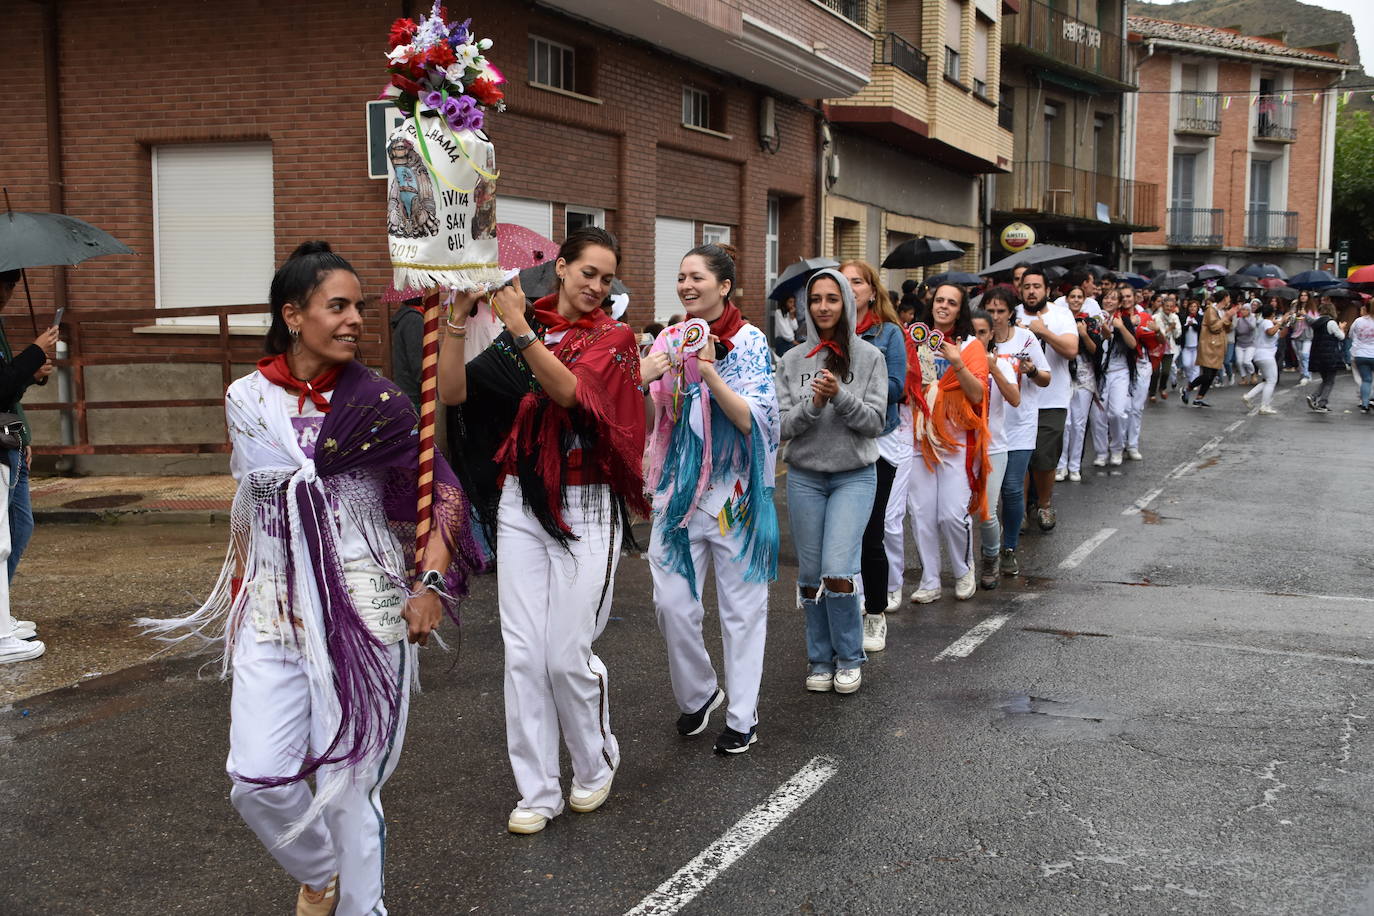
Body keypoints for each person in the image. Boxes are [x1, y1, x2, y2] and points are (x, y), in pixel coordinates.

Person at [142, 242, 479, 916]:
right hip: (274, 611)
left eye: (359, 306)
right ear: (294, 315)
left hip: (366, 606)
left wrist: (431, 585)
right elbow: (252, 502)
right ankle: (318, 873)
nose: (356, 318)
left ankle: (362, 906)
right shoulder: (245, 399)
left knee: (350, 787)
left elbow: (440, 494)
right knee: (256, 780)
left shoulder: (382, 402)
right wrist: (243, 597)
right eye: (339, 306)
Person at [439, 227, 649, 835]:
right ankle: (537, 790)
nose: (597, 287)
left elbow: (570, 393)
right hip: (520, 501)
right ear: (561, 268)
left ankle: (596, 759)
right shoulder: (519, 332)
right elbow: (453, 391)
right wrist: (458, 316)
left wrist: (518, 326)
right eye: (588, 273)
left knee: (564, 656)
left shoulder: (613, 338)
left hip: (587, 504)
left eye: (607, 279)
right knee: (524, 656)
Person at [640, 244, 779, 755]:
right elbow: (656, 423)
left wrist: (710, 372)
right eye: (680, 277)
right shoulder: (671, 337)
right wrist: (645, 376)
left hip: (734, 496)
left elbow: (754, 420)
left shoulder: (750, 341)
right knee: (671, 604)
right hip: (679, 493)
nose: (686, 285)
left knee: (742, 611)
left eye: (696, 277)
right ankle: (700, 692)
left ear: (724, 286)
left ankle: (742, 715)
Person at [777, 269, 886, 695]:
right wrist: (815, 403)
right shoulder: (790, 360)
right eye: (816, 299)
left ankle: (849, 655)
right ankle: (820, 658)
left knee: (838, 569)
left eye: (832, 298)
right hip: (805, 477)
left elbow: (875, 423)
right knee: (809, 574)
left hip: (854, 477)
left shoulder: (868, 357)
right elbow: (784, 426)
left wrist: (839, 396)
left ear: (846, 302)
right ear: (807, 306)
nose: (823, 307)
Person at [905, 283, 990, 602]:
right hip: (919, 439)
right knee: (922, 513)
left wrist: (957, 363)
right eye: (939, 300)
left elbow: (978, 395)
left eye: (951, 303)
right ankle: (929, 581)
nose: (943, 306)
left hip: (956, 443)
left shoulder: (970, 346)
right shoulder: (914, 339)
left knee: (951, 514)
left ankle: (963, 569)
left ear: (960, 309)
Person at [839, 260, 907, 651]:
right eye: (842, 283)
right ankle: (844, 608)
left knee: (869, 532)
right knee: (838, 537)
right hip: (835, 442)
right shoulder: (825, 332)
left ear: (871, 289)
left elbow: (896, 386)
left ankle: (875, 613)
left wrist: (849, 388)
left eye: (856, 282)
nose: (849, 289)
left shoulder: (889, 333)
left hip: (877, 440)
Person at [0, 270, 56, 664]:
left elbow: (7, 388)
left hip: (8, 438)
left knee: (18, 527)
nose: (11, 294)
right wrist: (35, 351)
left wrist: (31, 373)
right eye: (9, 286)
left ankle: (1, 618)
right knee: (1, 541)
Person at [1016, 267, 1077, 531]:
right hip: (1017, 398)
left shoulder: (1061, 315)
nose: (1031, 291)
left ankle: (1044, 504)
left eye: (1037, 286)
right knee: (1020, 458)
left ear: (1047, 290)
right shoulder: (1012, 315)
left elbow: (1071, 350)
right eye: (1027, 286)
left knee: (1043, 458)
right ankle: (1017, 511)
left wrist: (1042, 332)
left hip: (1051, 400)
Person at [971, 301, 1019, 589]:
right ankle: (965, 567)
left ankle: (991, 557)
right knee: (957, 513)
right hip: (961, 448)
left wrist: (993, 370)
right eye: (972, 332)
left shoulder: (1000, 364)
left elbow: (1014, 399)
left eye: (982, 333)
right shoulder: (957, 361)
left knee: (987, 512)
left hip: (994, 449)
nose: (977, 338)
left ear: (991, 335)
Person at [1055, 286, 1099, 481]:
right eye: (1072, 296)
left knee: (1079, 424)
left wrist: (1083, 333)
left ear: (1083, 300)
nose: (1075, 300)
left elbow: (1095, 349)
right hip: (1063, 373)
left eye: (1079, 297)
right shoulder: (1060, 321)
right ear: (1066, 299)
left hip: (1084, 375)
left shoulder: (1089, 321)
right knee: (1066, 423)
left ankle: (1074, 466)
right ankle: (1061, 465)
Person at [1122, 285, 1157, 461]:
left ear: (1135, 298)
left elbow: (1156, 343)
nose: (1126, 299)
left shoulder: (1144, 317)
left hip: (1141, 365)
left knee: (1136, 409)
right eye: (1123, 296)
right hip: (1120, 366)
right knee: (1122, 409)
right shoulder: (1115, 317)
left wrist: (1156, 331)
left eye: (1129, 296)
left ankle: (1132, 445)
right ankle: (1118, 443)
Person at [1182, 291, 1233, 408]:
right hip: (1208, 346)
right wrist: (1225, 318)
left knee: (1212, 374)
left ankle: (1199, 398)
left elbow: (1229, 328)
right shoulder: (1211, 310)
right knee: (1207, 374)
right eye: (1228, 297)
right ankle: (1187, 388)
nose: (1229, 300)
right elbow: (1214, 327)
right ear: (1224, 298)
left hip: (1218, 346)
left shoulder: (1222, 311)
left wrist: (1228, 317)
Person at [1305, 298, 1346, 413]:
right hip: (1330, 355)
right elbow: (1341, 337)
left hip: (1318, 354)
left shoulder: (1316, 322)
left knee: (1325, 379)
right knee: (1330, 380)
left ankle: (1314, 397)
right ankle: (1321, 402)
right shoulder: (1331, 322)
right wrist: (1341, 329)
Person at [1243, 302, 1283, 416]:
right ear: (1272, 313)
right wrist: (1280, 322)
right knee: (1272, 381)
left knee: (1267, 380)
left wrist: (1286, 324)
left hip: (1261, 355)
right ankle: (1264, 406)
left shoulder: (1267, 322)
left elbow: (1281, 334)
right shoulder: (1266, 322)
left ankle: (1248, 396)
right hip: (1266, 355)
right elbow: (1270, 332)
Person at [388, 296, 424, 411]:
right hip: (415, 395)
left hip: (407, 391)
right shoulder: (414, 320)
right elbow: (418, 361)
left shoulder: (407, 317)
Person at [1151, 293, 1181, 401]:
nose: (1168, 308)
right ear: (1162, 306)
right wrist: (1168, 329)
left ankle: (1162, 387)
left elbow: (1178, 334)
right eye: (1166, 306)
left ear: (1173, 307)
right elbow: (1156, 333)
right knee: (1155, 372)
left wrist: (1173, 328)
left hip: (1169, 348)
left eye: (1171, 306)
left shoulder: (1175, 317)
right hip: (1157, 347)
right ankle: (1152, 392)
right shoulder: (1155, 317)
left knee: (1166, 371)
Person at [1349, 301, 1374, 413]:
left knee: (1366, 380)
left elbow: (1350, 335)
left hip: (1361, 354)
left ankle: (1364, 404)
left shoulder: (1359, 321)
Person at [1233, 300, 1259, 387]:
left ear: (1249, 311)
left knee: (1247, 361)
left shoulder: (1253, 318)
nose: (1243, 311)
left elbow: (1252, 327)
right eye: (1242, 309)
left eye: (1246, 309)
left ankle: (1253, 374)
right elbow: (1237, 330)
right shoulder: (1238, 320)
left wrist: (1246, 319)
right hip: (1240, 343)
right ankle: (1244, 378)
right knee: (1239, 362)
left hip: (1250, 344)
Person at [1293, 290, 1315, 384]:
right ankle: (1304, 372)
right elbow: (1292, 322)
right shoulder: (1295, 307)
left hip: (1308, 335)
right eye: (1301, 295)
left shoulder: (1312, 308)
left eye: (1305, 295)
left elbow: (1314, 322)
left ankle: (1306, 375)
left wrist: (1305, 314)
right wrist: (1294, 316)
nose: (1303, 297)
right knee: (1300, 356)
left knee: (1305, 355)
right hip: (1297, 334)